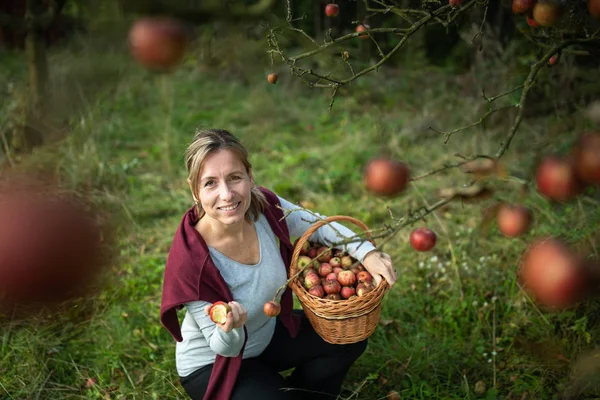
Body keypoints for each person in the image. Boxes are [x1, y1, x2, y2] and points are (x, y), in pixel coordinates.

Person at [160, 128, 397, 400]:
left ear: (250, 177)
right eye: (210, 183)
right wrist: (231, 328)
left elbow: (316, 224)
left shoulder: (262, 207)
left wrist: (366, 252)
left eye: (234, 178)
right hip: (216, 363)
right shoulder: (192, 260)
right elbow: (222, 347)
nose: (226, 195)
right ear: (195, 191)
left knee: (347, 336)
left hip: (266, 336)